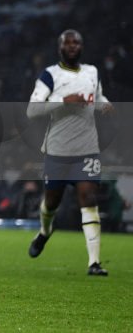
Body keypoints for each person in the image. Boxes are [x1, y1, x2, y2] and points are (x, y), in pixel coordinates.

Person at [27, 29, 113, 276]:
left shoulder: (92, 72)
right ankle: (45, 232)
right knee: (51, 203)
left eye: (77, 42)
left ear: (82, 47)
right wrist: (64, 100)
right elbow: (32, 110)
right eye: (68, 43)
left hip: (87, 149)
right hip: (57, 151)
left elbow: (97, 97)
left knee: (89, 200)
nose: (73, 46)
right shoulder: (50, 76)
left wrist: (104, 104)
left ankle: (94, 263)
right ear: (60, 47)